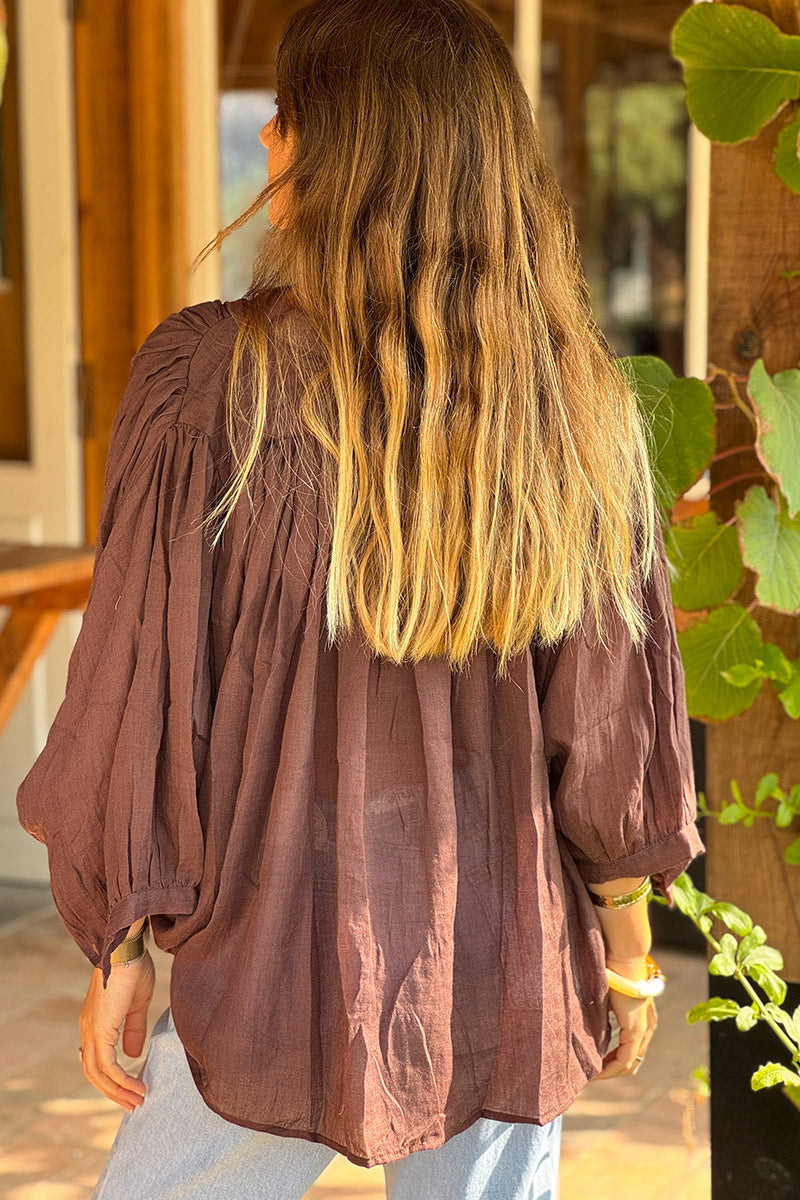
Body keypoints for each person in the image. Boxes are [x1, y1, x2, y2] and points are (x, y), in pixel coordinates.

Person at [16, 1, 704, 1197]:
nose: (268, 136)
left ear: (329, 157)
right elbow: (603, 725)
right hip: (501, 960)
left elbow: (145, 700)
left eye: (288, 116)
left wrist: (125, 935)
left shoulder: (202, 389)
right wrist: (628, 940)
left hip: (270, 961)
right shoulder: (573, 412)